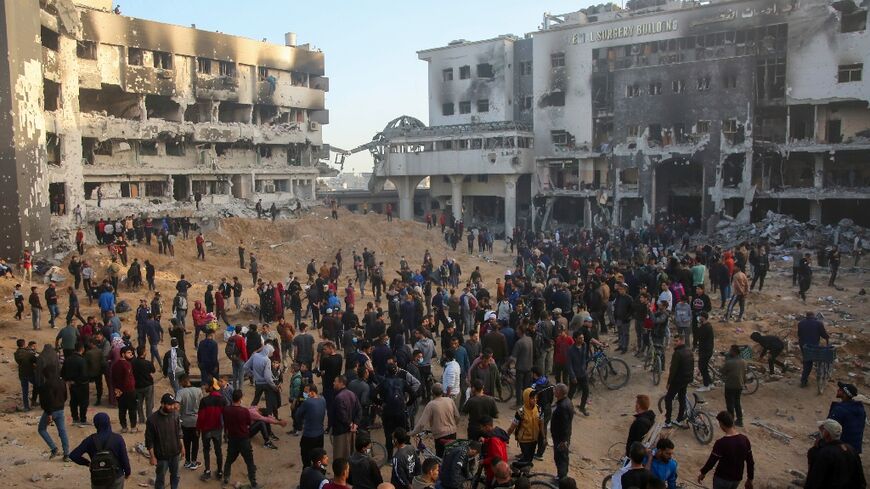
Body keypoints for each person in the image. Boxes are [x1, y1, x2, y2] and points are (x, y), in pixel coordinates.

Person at [70, 412, 131, 489]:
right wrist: (127, 472)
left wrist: (88, 463)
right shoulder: (118, 439)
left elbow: (73, 455)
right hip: (116, 476)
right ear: (108, 423)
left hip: (98, 477)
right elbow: (124, 459)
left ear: (96, 425)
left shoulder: (90, 440)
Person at [698, 411, 754, 489]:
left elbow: (711, 461)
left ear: (721, 423)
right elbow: (750, 462)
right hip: (736, 479)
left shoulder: (721, 443)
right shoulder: (744, 439)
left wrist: (703, 473)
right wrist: (750, 479)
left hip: (722, 479)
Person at [804, 419, 866, 489]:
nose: (820, 432)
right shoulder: (850, 449)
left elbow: (814, 480)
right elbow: (861, 479)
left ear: (827, 433)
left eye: (822, 429)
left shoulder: (825, 453)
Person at [222, 389, 262, 488]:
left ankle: (226, 477)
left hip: (232, 438)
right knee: (249, 461)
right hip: (243, 439)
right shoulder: (244, 411)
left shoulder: (226, 410)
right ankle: (253, 483)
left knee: (229, 459)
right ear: (240, 399)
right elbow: (249, 423)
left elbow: (225, 423)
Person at [145, 393, 184, 489]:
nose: (172, 407)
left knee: (175, 476)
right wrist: (152, 456)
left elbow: (179, 432)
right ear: (162, 404)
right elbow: (149, 440)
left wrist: (182, 447)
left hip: (175, 453)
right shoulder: (152, 420)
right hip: (162, 457)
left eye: (173, 404)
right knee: (160, 479)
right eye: (169, 404)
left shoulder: (175, 415)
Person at [412, 383, 459, 457]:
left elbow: (421, 424)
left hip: (440, 436)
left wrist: (413, 432)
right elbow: (457, 416)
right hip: (453, 433)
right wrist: (453, 425)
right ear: (442, 391)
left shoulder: (431, 404)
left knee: (440, 458)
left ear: (432, 393)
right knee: (451, 456)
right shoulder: (450, 400)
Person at [37, 365, 70, 461]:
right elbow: (65, 396)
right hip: (60, 409)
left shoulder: (45, 385)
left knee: (42, 429)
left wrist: (49, 413)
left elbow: (46, 401)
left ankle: (53, 448)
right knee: (62, 431)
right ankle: (66, 454)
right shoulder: (62, 382)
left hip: (50, 411)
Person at [196, 380, 226, 482]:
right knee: (218, 450)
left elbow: (201, 417)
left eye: (207, 385)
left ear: (212, 387)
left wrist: (198, 429)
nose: (205, 387)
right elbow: (225, 416)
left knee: (206, 450)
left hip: (206, 430)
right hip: (218, 429)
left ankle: (207, 471)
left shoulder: (204, 401)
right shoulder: (222, 400)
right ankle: (220, 472)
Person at [826, 382, 865, 454]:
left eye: (840, 390)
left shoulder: (839, 409)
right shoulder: (860, 408)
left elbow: (830, 429)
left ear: (845, 394)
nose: (837, 390)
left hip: (841, 449)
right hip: (854, 449)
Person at [507, 387, 542, 464]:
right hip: (524, 440)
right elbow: (513, 426)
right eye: (532, 398)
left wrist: (543, 436)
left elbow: (541, 424)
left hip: (534, 439)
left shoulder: (538, 409)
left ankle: (524, 470)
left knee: (529, 458)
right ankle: (520, 468)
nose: (535, 399)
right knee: (527, 458)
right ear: (526, 398)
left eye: (536, 397)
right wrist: (507, 436)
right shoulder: (520, 412)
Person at [664, 335, 693, 428]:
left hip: (678, 380)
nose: (674, 343)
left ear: (682, 341)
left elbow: (673, 370)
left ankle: (667, 421)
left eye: (676, 341)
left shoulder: (677, 353)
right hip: (686, 379)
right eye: (674, 341)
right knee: (682, 398)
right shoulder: (689, 350)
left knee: (668, 398)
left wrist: (668, 382)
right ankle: (679, 420)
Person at [331, 375, 361, 462]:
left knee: (340, 458)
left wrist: (351, 424)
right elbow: (359, 410)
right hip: (352, 431)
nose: (333, 383)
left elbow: (342, 416)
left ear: (341, 383)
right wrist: (355, 424)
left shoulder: (339, 398)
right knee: (351, 455)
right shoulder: (352, 394)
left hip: (341, 432)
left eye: (335, 381)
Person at [176, 374, 203, 470]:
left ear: (183, 381)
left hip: (185, 421)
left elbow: (176, 406)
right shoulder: (198, 390)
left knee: (186, 442)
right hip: (196, 421)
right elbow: (202, 405)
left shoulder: (180, 392)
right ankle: (194, 461)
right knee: (195, 442)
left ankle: (187, 461)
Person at [61, 341, 90, 426]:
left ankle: (75, 419)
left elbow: (62, 372)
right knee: (83, 403)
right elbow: (84, 374)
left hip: (71, 385)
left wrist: (68, 380)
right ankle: (83, 419)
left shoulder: (68, 359)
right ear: (82, 349)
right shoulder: (82, 360)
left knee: (73, 402)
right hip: (82, 385)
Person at [798, 312, 829, 387]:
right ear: (813, 316)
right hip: (813, 347)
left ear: (806, 316)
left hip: (804, 346)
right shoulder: (818, 323)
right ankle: (806, 380)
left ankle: (804, 381)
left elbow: (799, 334)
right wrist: (827, 338)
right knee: (812, 361)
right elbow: (823, 334)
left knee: (807, 361)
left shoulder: (800, 323)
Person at [550, 383, 573, 480]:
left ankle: (562, 479)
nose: (554, 391)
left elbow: (565, 425)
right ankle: (561, 476)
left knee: (561, 458)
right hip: (560, 437)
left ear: (559, 393)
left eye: (556, 390)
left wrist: (564, 441)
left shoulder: (563, 407)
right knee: (560, 457)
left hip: (561, 438)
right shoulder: (566, 401)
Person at [112, 346, 137, 432]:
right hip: (128, 391)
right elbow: (127, 379)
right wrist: (122, 389)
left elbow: (112, 378)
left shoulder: (115, 365)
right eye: (129, 353)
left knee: (122, 410)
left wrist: (116, 389)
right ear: (123, 354)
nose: (131, 354)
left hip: (119, 391)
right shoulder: (127, 365)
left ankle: (124, 427)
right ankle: (133, 427)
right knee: (132, 409)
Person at [721, 345, 747, 427]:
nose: (729, 352)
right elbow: (744, 374)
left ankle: (730, 420)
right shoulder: (743, 361)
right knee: (737, 403)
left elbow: (722, 371)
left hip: (730, 385)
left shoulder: (729, 362)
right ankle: (740, 420)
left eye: (730, 350)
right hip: (739, 385)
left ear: (734, 352)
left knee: (729, 404)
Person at [566, 330, 589, 415]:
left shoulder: (584, 345)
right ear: (575, 339)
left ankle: (582, 407)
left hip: (583, 373)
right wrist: (572, 376)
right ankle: (567, 407)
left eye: (582, 338)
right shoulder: (570, 350)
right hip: (575, 375)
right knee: (571, 393)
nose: (582, 339)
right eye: (580, 338)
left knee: (586, 391)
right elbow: (569, 365)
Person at [132, 345, 156, 426]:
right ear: (143, 353)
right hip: (148, 385)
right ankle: (149, 418)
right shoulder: (147, 363)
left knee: (139, 404)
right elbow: (153, 370)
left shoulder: (133, 363)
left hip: (137, 386)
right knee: (149, 403)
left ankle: (141, 419)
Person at [14, 338, 38, 411]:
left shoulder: (16, 354)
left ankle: (26, 407)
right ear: (24, 344)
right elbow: (36, 361)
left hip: (22, 374)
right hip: (30, 373)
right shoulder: (29, 353)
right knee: (38, 385)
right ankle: (34, 401)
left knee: (25, 391)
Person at [695, 313, 714, 392]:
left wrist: (699, 328)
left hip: (705, 351)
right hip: (705, 350)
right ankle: (710, 383)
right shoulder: (706, 326)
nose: (699, 318)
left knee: (702, 367)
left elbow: (700, 336)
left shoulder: (706, 327)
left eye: (701, 317)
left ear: (704, 318)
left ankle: (706, 385)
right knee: (704, 367)